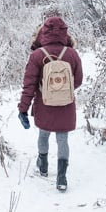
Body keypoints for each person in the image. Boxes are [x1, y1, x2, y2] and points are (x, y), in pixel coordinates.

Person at [17, 16, 83, 191]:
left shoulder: (37, 55)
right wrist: (63, 90)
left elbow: (29, 85)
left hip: (44, 103)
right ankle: (61, 177)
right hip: (66, 104)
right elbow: (78, 81)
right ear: (64, 33)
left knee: (43, 135)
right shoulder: (72, 54)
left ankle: (43, 166)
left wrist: (23, 109)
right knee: (62, 139)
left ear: (43, 32)